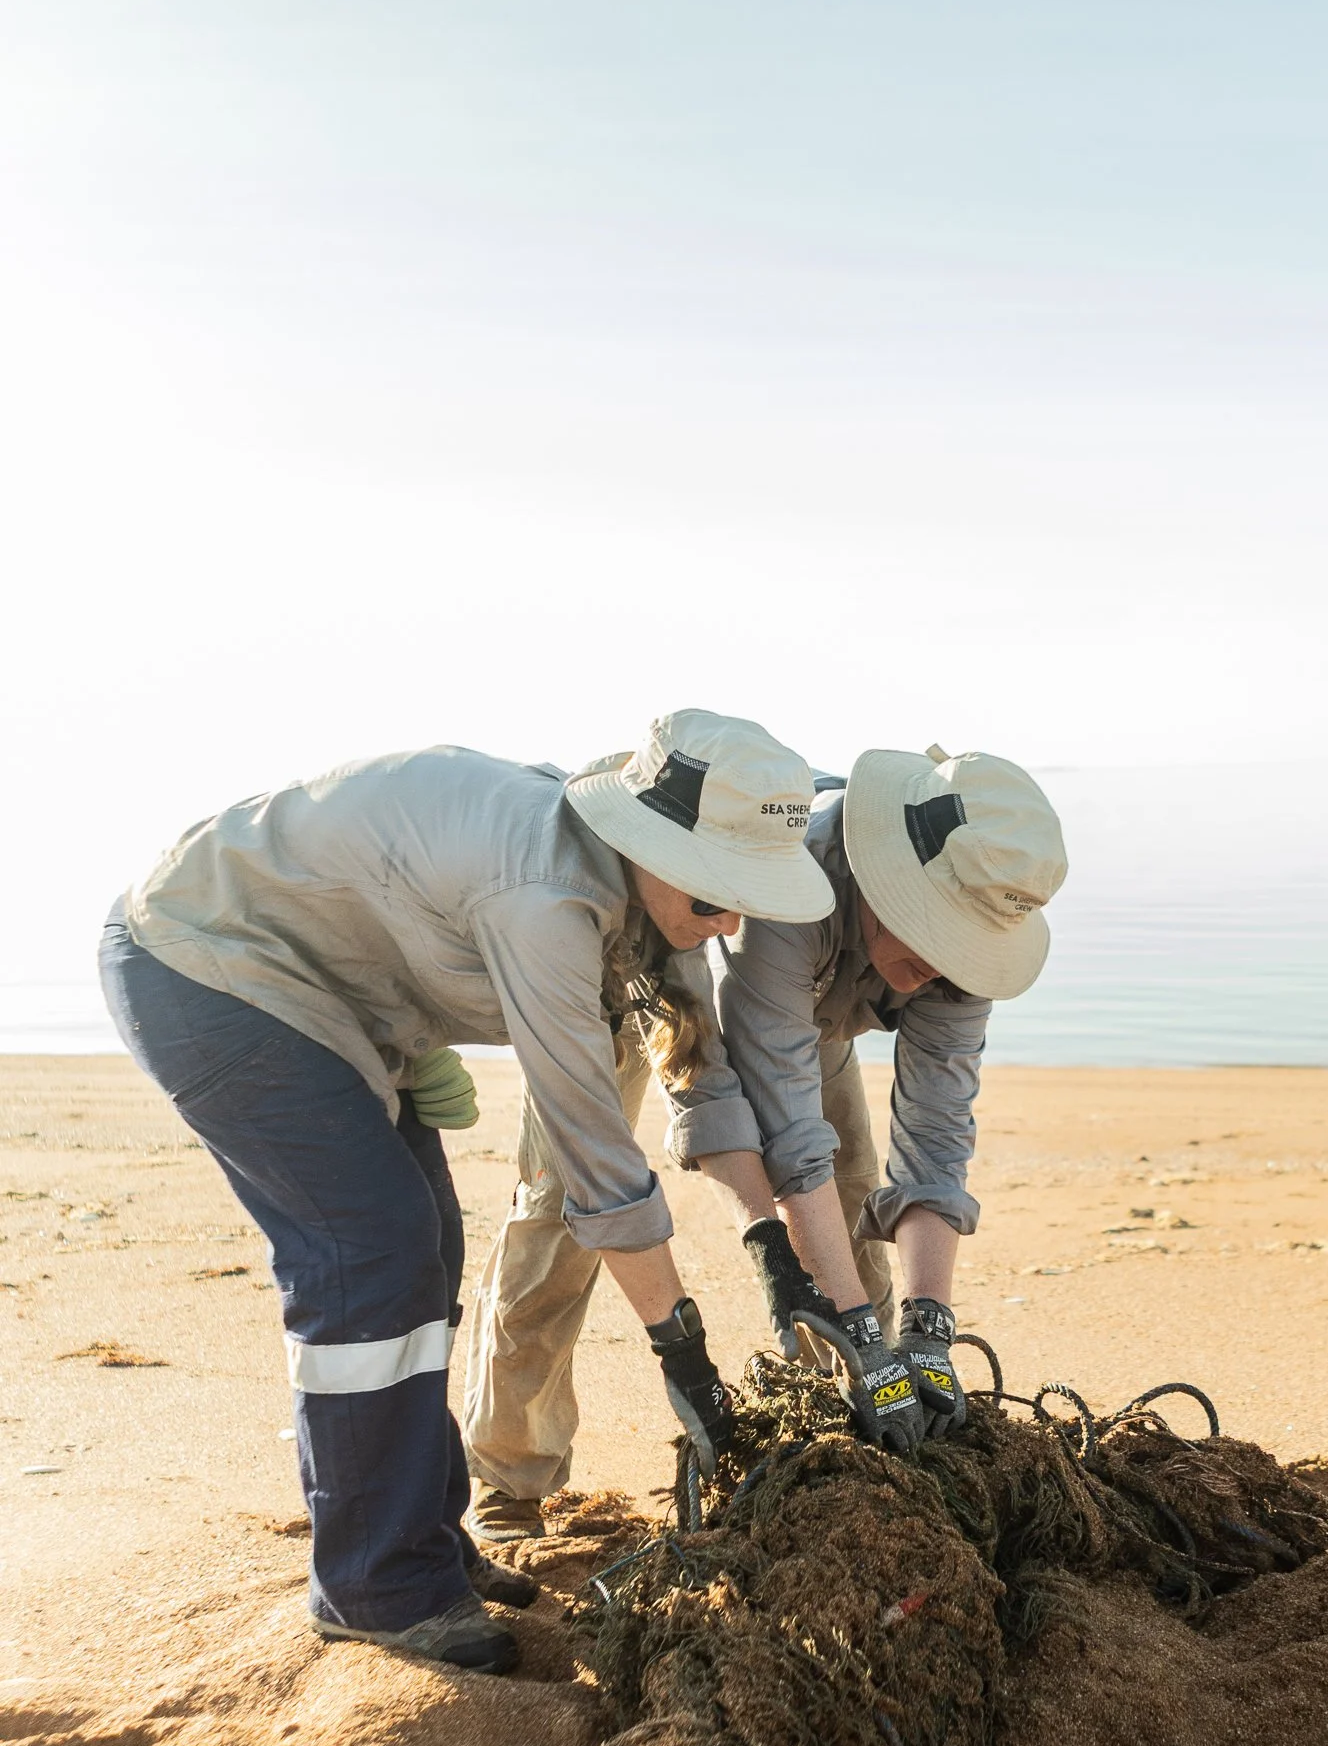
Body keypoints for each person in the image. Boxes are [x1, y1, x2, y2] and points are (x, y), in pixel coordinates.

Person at [99, 714, 833, 1674]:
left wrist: (771, 1247)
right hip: (206, 968)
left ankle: (420, 1539)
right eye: (716, 896)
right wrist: (682, 1355)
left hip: (337, 1000)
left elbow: (697, 1070)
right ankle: (375, 1586)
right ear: (652, 844)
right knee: (370, 1256)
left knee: (427, 1246)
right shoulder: (546, 897)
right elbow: (595, 1158)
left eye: (747, 897)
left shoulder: (637, 887)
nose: (731, 923)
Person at [461, 742, 1067, 1518]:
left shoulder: (976, 926)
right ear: (886, 891)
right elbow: (779, 1135)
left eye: (965, 954)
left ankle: (855, 1426)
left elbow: (936, 1136)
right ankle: (511, 1477)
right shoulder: (794, 880)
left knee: (850, 1224)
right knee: (566, 1220)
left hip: (808, 1018)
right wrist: (778, 1253)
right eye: (935, 941)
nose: (947, 972)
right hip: (637, 977)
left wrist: (926, 1332)